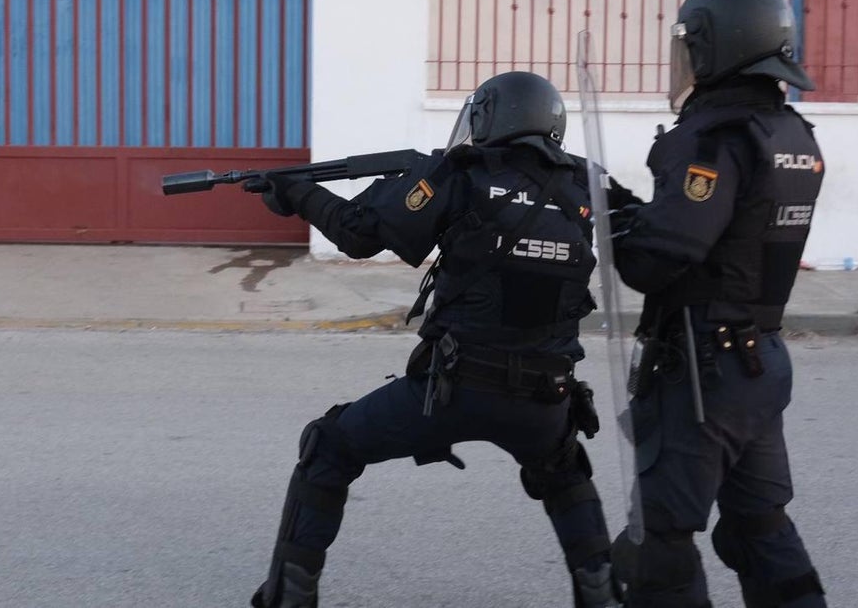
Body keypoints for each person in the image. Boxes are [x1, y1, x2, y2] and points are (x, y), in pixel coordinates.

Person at [245, 70, 620, 607]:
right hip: (545, 397)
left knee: (327, 446)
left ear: (488, 117)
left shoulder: (460, 173)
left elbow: (358, 233)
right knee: (563, 470)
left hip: (453, 390)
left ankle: (289, 597)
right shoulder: (590, 185)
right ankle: (603, 596)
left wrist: (299, 193)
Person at [605, 0, 827, 607]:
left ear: (714, 47)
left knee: (657, 548)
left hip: (705, 372)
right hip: (760, 360)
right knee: (758, 529)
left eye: (689, 47)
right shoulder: (789, 135)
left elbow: (660, 259)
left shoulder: (715, 138)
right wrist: (625, 206)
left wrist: (609, 224)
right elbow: (726, 236)